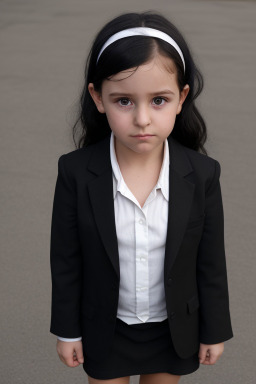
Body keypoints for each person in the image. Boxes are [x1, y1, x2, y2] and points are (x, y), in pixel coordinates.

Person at [50, 11, 233, 384]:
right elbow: (66, 260)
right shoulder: (75, 172)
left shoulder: (202, 174)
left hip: (172, 330)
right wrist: (67, 330)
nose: (143, 119)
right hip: (105, 328)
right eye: (124, 101)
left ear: (181, 98)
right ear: (98, 97)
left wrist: (215, 329)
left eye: (159, 100)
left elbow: (210, 262)